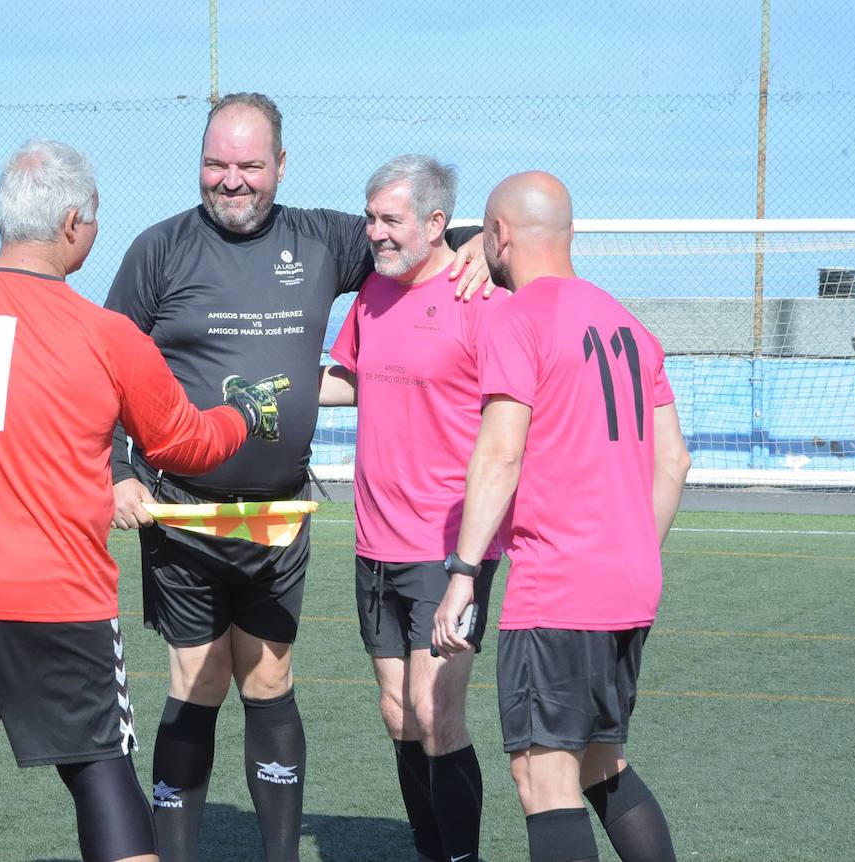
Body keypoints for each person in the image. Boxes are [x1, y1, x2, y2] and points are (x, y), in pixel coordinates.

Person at [0, 138, 290, 862]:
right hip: (57, 596)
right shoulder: (104, 334)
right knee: (100, 774)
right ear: (73, 221)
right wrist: (246, 411)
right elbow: (184, 446)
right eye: (96, 217)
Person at [103, 92, 492, 862]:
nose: (233, 180)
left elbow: (415, 233)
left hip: (279, 516)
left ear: (281, 165)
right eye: (217, 163)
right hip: (182, 511)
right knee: (198, 683)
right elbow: (105, 367)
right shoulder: (159, 249)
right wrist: (116, 469)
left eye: (250, 164)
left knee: (271, 682)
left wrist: (484, 243)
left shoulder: (322, 237)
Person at [433, 171, 692, 862]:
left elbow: (499, 453)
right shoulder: (630, 326)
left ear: (499, 237)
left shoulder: (517, 318)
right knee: (601, 763)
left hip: (558, 590)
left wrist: (461, 573)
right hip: (630, 581)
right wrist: (632, 545)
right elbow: (673, 464)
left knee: (541, 776)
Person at [319, 154, 509, 862]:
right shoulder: (370, 294)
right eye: (370, 218)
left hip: (448, 546)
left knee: (438, 714)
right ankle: (432, 851)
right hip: (374, 542)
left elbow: (515, 416)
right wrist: (261, 389)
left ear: (437, 223)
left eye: (389, 219)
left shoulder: (481, 298)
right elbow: (349, 380)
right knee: (398, 713)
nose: (374, 233)